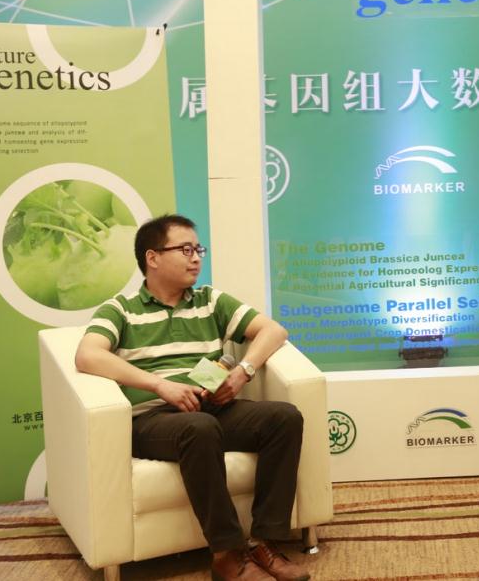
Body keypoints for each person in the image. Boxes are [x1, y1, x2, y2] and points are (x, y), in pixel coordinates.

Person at [75, 214, 311, 581]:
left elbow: (273, 331)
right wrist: (159, 385)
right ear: (153, 257)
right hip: (155, 420)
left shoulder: (210, 300)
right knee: (198, 428)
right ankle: (226, 554)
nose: (196, 258)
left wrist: (242, 372)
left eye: (198, 249)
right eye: (185, 250)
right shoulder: (120, 309)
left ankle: (265, 542)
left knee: (284, 418)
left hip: (211, 408)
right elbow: (87, 355)